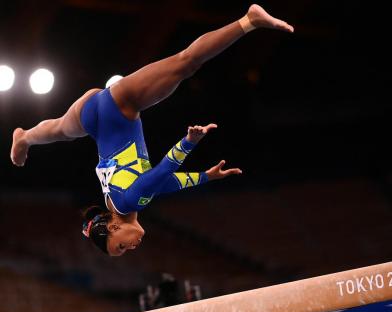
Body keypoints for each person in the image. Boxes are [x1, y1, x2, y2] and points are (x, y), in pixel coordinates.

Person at [10, 4, 294, 256]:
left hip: (118, 107)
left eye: (120, 245)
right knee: (60, 129)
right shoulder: (121, 201)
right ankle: (24, 137)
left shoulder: (129, 201)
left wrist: (189, 142)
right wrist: (206, 177)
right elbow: (165, 184)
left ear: (112, 226)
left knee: (186, 63)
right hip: (92, 119)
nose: (130, 247)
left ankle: (249, 20)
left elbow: (162, 171)